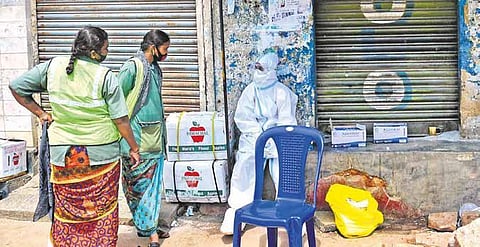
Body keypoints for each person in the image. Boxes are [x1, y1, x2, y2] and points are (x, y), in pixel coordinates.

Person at [9, 26, 140, 247]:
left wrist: (41, 113)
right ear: (94, 53)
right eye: (106, 48)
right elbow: (121, 120)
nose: (107, 52)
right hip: (101, 157)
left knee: (68, 208)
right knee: (101, 208)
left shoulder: (53, 67)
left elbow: (17, 86)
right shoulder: (105, 76)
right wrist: (134, 148)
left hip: (63, 156)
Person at [220, 52, 298, 235]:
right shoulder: (251, 90)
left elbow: (286, 121)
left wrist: (271, 137)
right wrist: (258, 135)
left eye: (262, 69)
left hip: (277, 139)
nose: (258, 72)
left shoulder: (281, 92)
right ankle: (237, 212)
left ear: (271, 70)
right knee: (244, 166)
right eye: (257, 68)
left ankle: (291, 214)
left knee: (284, 169)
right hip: (253, 138)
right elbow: (243, 117)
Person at [117, 29, 170, 247]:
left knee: (153, 188)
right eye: (165, 49)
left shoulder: (155, 69)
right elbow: (116, 101)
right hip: (136, 139)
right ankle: (151, 235)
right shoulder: (132, 67)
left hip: (155, 137)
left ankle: (149, 227)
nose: (167, 54)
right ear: (152, 47)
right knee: (137, 187)